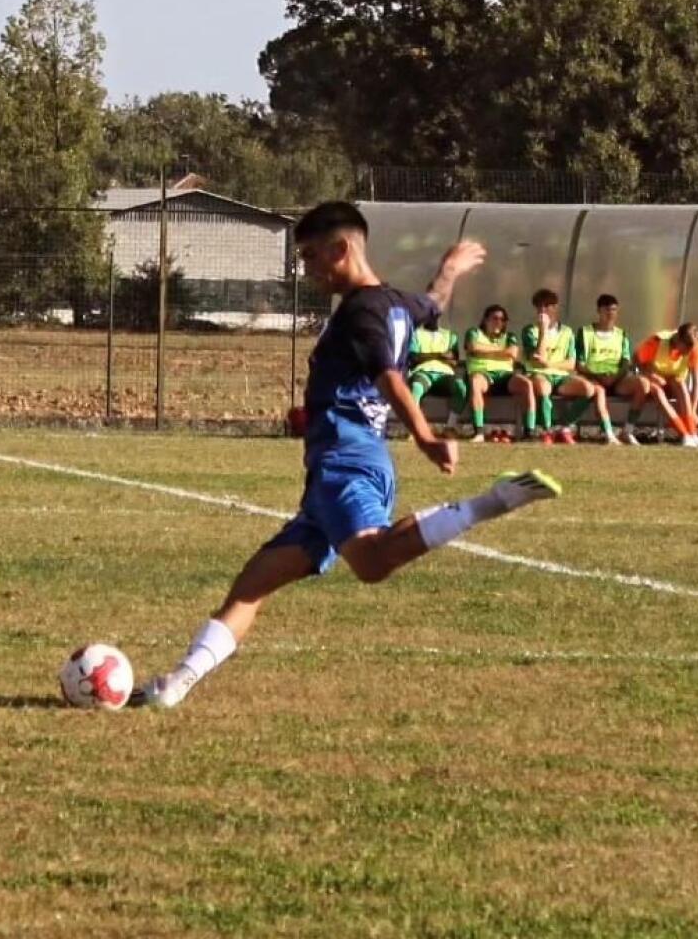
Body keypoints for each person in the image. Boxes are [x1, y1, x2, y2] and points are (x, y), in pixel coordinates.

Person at [129, 201, 562, 709]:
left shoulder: (361, 310)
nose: (306, 270)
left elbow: (390, 376)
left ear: (342, 249)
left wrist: (424, 436)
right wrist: (449, 268)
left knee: (373, 562)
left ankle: (491, 502)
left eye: (312, 257)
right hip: (335, 472)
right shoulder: (397, 302)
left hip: (346, 455)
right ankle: (174, 685)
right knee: (252, 585)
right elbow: (433, 303)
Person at [520, 289, 606, 446]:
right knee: (543, 388)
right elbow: (537, 359)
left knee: (588, 389)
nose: (543, 310)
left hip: (560, 375)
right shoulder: (529, 330)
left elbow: (571, 363)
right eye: (539, 306)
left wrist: (550, 364)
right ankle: (547, 430)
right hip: (539, 373)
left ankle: (563, 425)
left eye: (547, 306)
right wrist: (543, 330)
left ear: (555, 307)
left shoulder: (567, 332)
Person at [574, 294, 648, 445]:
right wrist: (598, 376)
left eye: (614, 310)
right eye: (607, 310)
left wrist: (615, 377)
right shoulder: (585, 333)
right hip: (594, 377)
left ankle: (627, 431)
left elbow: (626, 362)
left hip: (617, 379)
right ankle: (609, 434)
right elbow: (579, 364)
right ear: (599, 311)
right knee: (599, 392)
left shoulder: (622, 334)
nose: (610, 314)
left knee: (643, 384)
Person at [463, 305, 534, 443]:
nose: (498, 322)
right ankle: (479, 431)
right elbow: (474, 347)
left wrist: (485, 350)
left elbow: (513, 353)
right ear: (485, 320)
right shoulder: (474, 332)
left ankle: (529, 432)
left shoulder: (510, 336)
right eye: (494, 318)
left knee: (527, 384)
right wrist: (502, 351)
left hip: (505, 376)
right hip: (482, 373)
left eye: (502, 319)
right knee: (476, 381)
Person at [633, 323, 698, 448]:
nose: (687, 352)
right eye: (685, 348)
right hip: (655, 383)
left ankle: (693, 433)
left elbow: (697, 381)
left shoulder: (695, 347)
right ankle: (684, 435)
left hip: (674, 383)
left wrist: (694, 411)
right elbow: (637, 359)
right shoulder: (657, 341)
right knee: (657, 391)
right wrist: (651, 375)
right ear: (678, 339)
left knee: (680, 384)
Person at [406, 322, 468, 423]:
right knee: (416, 387)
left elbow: (454, 361)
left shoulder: (450, 335)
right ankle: (415, 426)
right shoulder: (415, 334)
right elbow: (414, 358)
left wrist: (426, 356)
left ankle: (450, 426)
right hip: (423, 372)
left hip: (446, 374)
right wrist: (439, 355)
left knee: (461, 387)